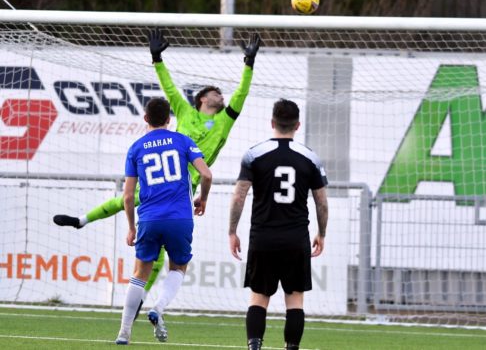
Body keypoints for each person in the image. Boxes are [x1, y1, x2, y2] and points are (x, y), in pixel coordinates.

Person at [54, 28, 261, 308]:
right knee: (130, 199)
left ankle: (139, 300)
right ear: (202, 98)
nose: (221, 94)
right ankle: (82, 221)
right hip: (163, 178)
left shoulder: (225, 119)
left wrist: (248, 64)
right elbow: (169, 87)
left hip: (184, 188)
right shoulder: (186, 111)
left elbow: (242, 92)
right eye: (215, 91)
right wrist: (156, 58)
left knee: (156, 243)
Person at [228, 99, 329, 350]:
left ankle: (254, 347)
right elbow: (322, 203)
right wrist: (322, 233)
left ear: (272, 122)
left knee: (258, 298)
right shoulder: (310, 157)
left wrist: (232, 231)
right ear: (298, 125)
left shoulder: (254, 154)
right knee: (294, 301)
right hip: (296, 238)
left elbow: (239, 196)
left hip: (263, 237)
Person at [115, 97, 212, 345]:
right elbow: (206, 174)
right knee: (178, 267)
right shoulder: (182, 140)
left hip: (149, 218)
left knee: (140, 273)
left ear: (146, 118)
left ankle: (124, 332)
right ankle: (158, 307)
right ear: (169, 119)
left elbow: (127, 196)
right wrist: (203, 198)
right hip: (180, 218)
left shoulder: (136, 148)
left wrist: (131, 227)